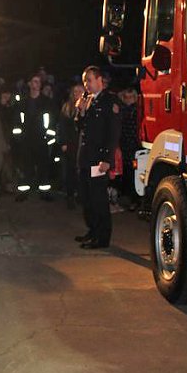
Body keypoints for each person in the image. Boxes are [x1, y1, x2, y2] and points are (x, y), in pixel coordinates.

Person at [74, 66, 120, 249]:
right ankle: (92, 230)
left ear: (99, 80)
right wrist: (82, 112)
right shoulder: (88, 100)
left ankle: (102, 237)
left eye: (90, 80)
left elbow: (113, 133)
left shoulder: (110, 101)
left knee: (98, 199)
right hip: (85, 157)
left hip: (99, 158)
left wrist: (107, 159)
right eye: (85, 81)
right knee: (86, 198)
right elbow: (80, 128)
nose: (87, 85)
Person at [12, 73, 55, 201]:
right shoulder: (23, 102)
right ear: (29, 84)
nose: (36, 85)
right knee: (26, 166)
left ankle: (44, 192)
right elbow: (16, 121)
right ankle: (24, 192)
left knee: (43, 167)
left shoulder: (46, 102)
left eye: (38, 82)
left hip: (41, 139)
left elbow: (51, 120)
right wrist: (18, 137)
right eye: (34, 82)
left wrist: (49, 137)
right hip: (26, 139)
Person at [58, 82, 85, 210]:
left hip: (82, 143)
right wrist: (63, 142)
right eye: (75, 92)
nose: (78, 94)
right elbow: (62, 126)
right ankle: (70, 196)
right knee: (71, 170)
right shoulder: (67, 108)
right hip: (71, 144)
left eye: (80, 91)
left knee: (82, 171)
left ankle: (81, 194)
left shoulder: (86, 106)